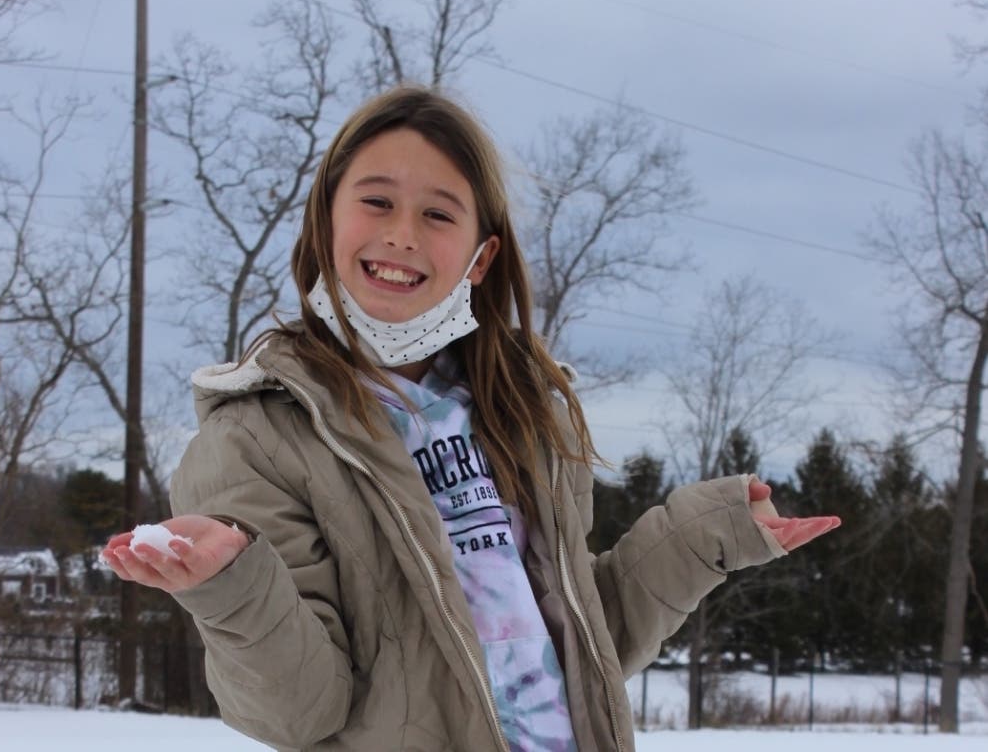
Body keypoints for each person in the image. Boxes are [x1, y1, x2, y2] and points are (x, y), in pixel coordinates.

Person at [101, 86, 840, 752]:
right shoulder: (256, 438)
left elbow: (587, 641)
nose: (402, 234)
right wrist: (233, 581)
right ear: (325, 219)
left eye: (437, 213)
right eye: (377, 201)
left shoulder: (525, 417)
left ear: (481, 258)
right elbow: (301, 709)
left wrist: (704, 535)